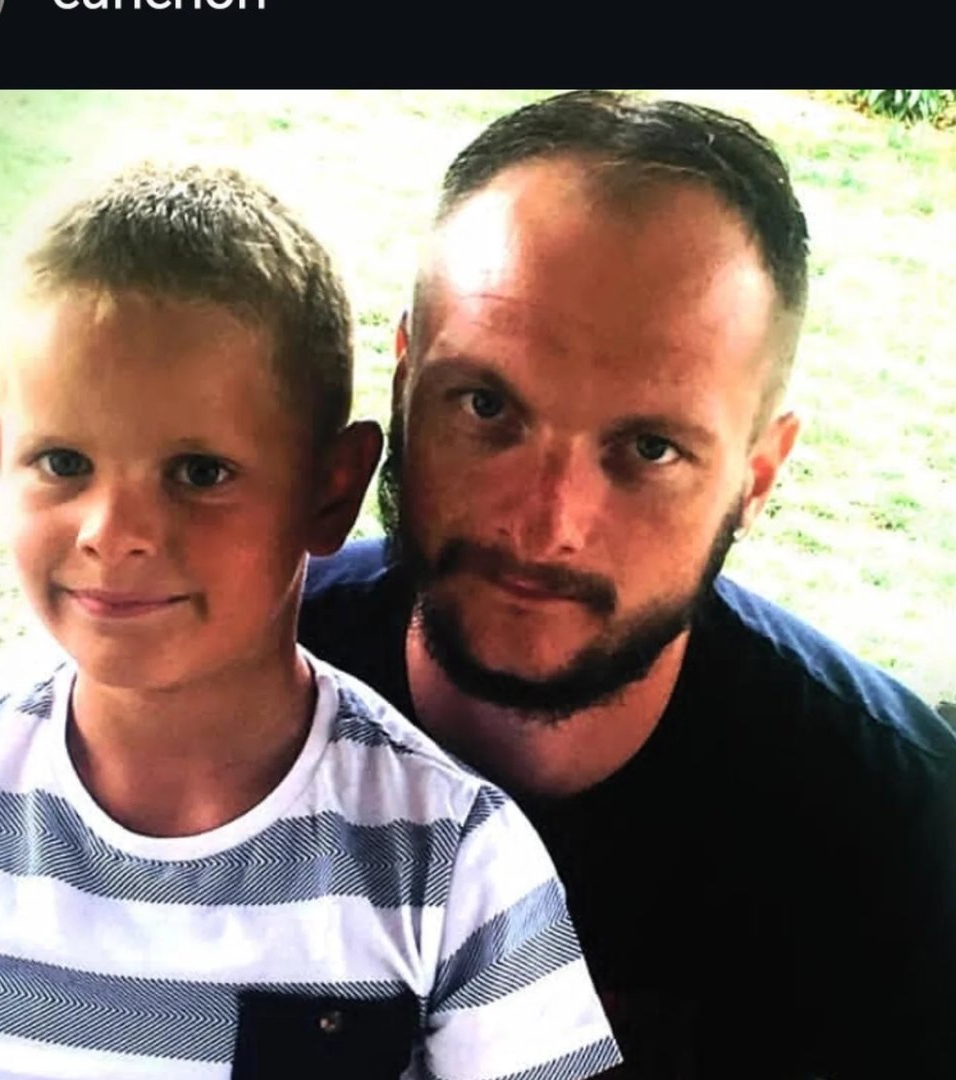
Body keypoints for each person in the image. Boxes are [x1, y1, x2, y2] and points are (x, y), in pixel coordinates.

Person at [0, 162, 621, 1078]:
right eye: (63, 462)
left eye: (199, 473)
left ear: (331, 491)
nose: (112, 532)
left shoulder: (451, 861)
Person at [300, 91, 956, 1078]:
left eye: (649, 448)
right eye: (486, 406)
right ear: (403, 381)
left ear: (757, 477)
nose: (546, 522)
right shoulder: (216, 692)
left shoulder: (903, 844)